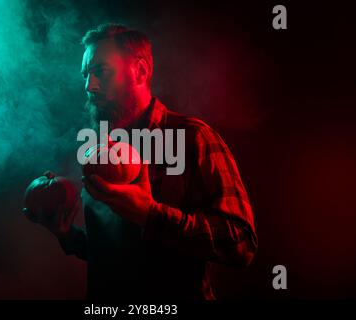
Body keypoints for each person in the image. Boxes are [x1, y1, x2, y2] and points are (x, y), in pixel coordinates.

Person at [29, 23, 257, 300]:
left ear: (140, 70)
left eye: (100, 71)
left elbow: (241, 244)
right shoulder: (98, 148)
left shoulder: (191, 137)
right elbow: (122, 255)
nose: (89, 86)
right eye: (86, 74)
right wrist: (68, 236)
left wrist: (151, 215)